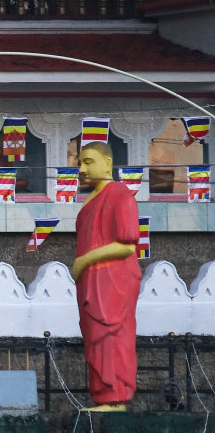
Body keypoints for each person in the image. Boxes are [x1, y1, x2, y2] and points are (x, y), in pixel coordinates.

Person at [71, 140, 140, 410]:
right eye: (79, 163)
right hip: (92, 282)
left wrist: (83, 261)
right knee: (94, 340)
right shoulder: (92, 199)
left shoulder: (120, 194)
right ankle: (103, 396)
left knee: (112, 336)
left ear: (108, 163)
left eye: (89, 162)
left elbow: (126, 244)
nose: (82, 169)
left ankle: (116, 398)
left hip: (113, 281)